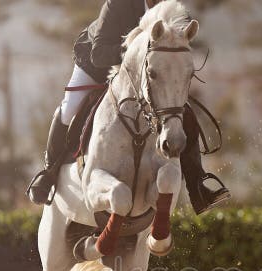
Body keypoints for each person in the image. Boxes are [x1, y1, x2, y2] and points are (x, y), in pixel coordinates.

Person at [27, 0, 230, 215]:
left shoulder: (175, 13)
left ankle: (197, 184)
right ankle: (49, 173)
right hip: (96, 64)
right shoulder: (118, 4)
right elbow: (99, 54)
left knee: (182, 113)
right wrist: (137, 51)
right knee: (70, 107)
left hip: (147, 77)